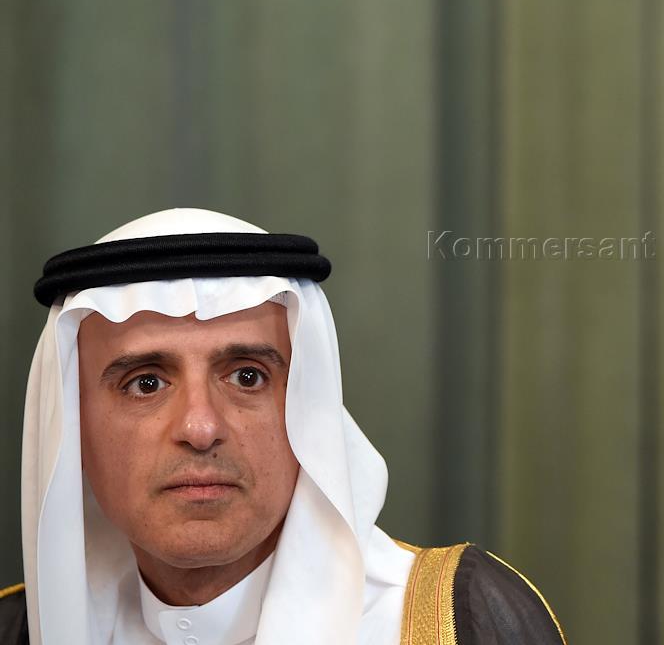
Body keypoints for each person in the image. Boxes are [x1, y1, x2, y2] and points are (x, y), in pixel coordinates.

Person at [0, 209, 565, 645]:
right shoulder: (19, 627)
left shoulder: (455, 622)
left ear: (309, 410)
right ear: (73, 427)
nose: (200, 427)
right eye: (146, 383)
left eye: (247, 377)